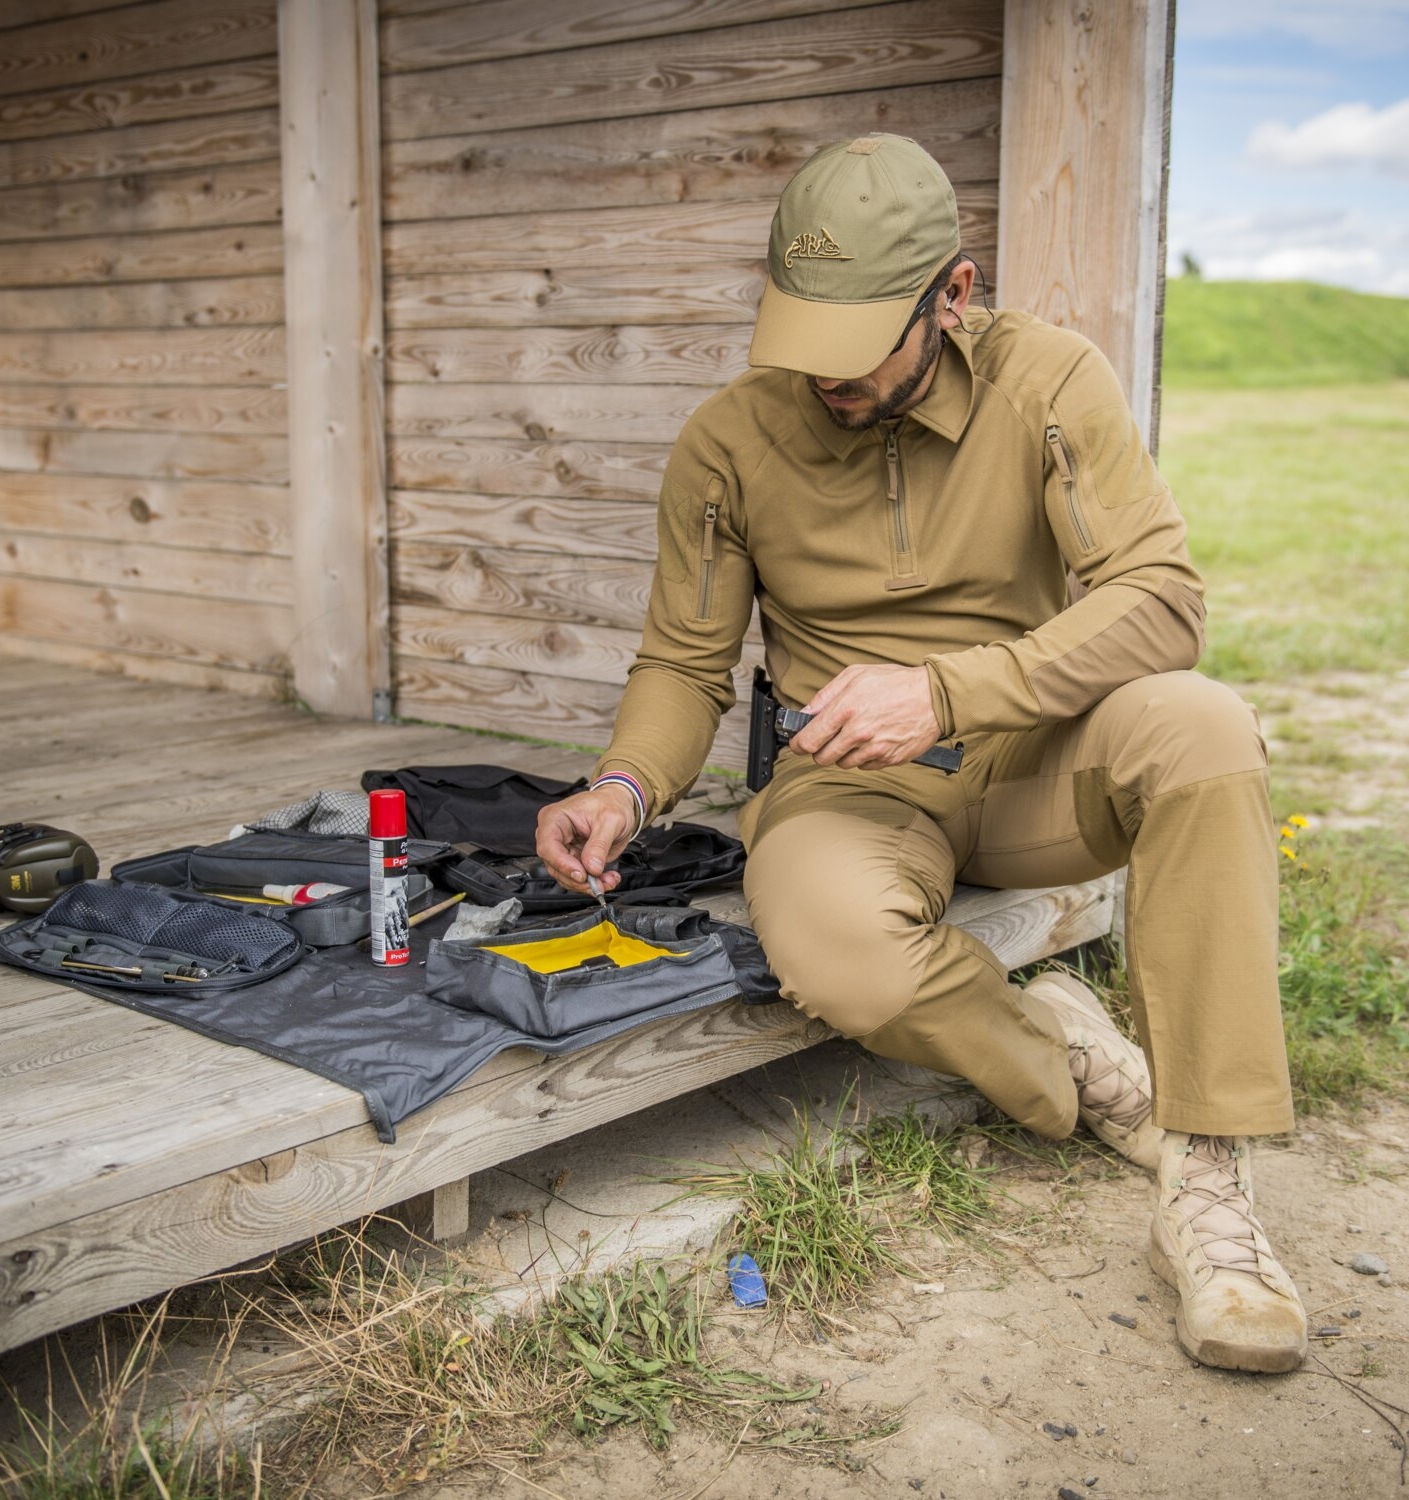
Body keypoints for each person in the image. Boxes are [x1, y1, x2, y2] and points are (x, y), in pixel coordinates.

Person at [533, 135, 1307, 1373]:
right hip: (846, 783)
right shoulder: (726, 444)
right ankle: (1067, 1063)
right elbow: (685, 664)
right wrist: (623, 786)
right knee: (840, 953)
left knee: (1206, 730)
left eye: (856, 352)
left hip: (1039, 751)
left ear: (954, 293)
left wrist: (949, 692)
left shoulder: (1052, 380)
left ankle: (1208, 1178)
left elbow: (1163, 599)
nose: (823, 383)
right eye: (801, 343)